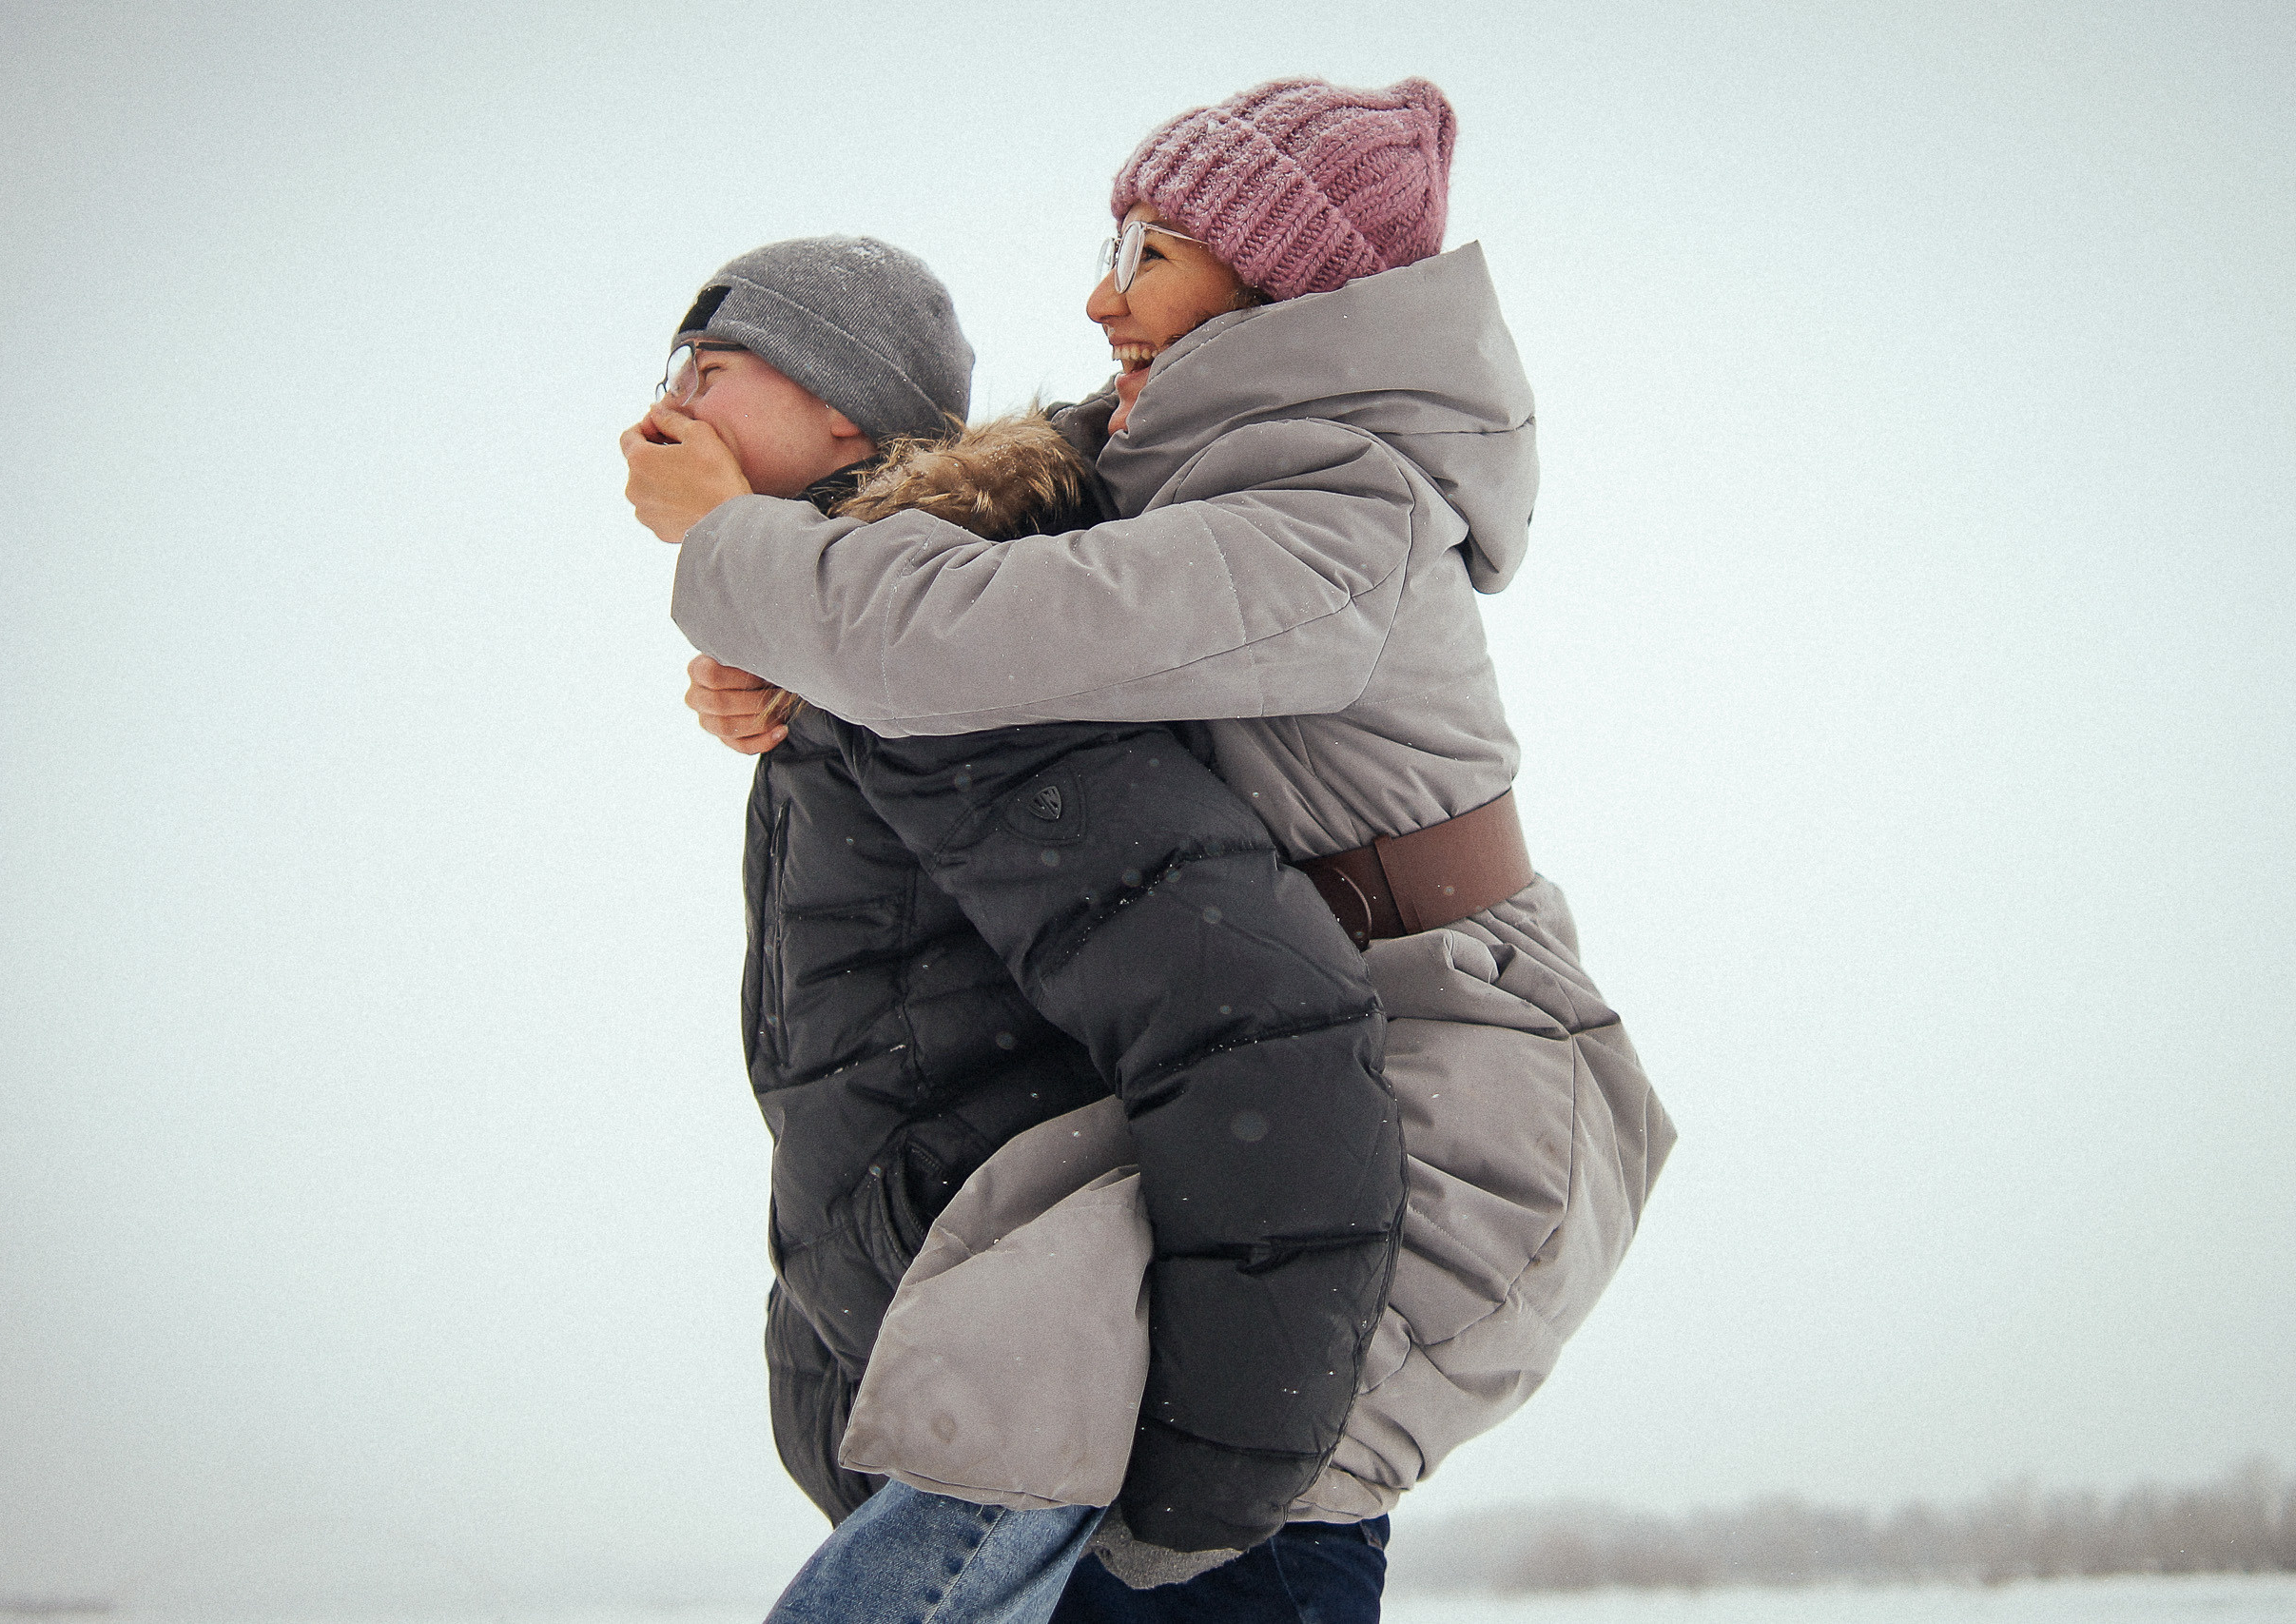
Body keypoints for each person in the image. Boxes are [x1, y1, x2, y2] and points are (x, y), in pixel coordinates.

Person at [645, 77, 1679, 1622]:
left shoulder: (1337, 508)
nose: (1097, 293)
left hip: (1451, 1077)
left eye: (1153, 251)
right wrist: (795, 657)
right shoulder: (1181, 461)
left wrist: (741, 552)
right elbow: (952, 552)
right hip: (1303, 1049)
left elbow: (966, 633)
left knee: (1230, 1515)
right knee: (1108, 1473)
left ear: (1275, 288)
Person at [622, 236, 1412, 1618]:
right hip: (1007, 1443)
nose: (657, 413)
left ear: (846, 415)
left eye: (712, 369)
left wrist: (1203, 1487)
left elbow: (1258, 1030)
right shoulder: (856, 663)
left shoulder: (948, 652)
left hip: (1127, 1490)